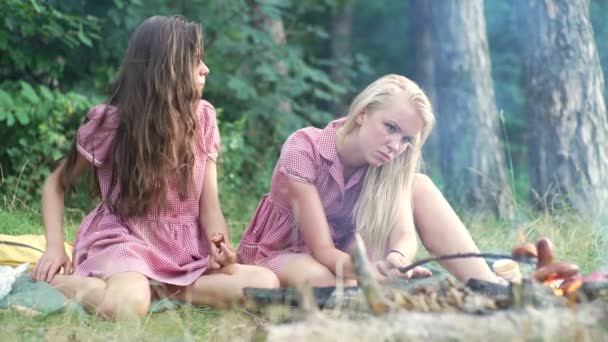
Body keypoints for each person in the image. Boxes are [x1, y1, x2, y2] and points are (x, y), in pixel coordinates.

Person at [32, 15, 279, 320]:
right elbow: (56, 184)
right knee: (127, 307)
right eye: (196, 61)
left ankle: (158, 288)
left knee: (265, 284)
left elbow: (209, 207)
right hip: (125, 241)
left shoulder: (204, 118)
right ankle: (61, 282)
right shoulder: (110, 121)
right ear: (167, 70)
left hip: (182, 250)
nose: (206, 69)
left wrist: (220, 247)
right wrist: (55, 247)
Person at [236, 74, 502, 287]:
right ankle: (363, 289)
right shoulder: (304, 148)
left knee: (420, 185)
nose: (395, 146)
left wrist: (397, 260)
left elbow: (404, 235)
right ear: (363, 113)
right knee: (331, 283)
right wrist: (369, 272)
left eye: (406, 139)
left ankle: (488, 284)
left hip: (351, 252)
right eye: (391, 128)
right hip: (286, 251)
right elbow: (322, 250)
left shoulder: (391, 164)